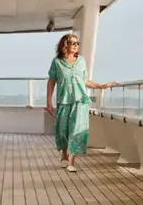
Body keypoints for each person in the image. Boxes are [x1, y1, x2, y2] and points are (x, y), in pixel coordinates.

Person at [45, 33, 117, 172]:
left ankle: (71, 162)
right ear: (65, 45)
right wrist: (48, 102)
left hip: (80, 102)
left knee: (76, 131)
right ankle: (64, 155)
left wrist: (101, 86)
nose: (76, 45)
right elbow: (51, 81)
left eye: (77, 43)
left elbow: (84, 81)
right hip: (64, 101)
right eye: (73, 43)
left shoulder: (81, 61)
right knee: (62, 131)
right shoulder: (57, 62)